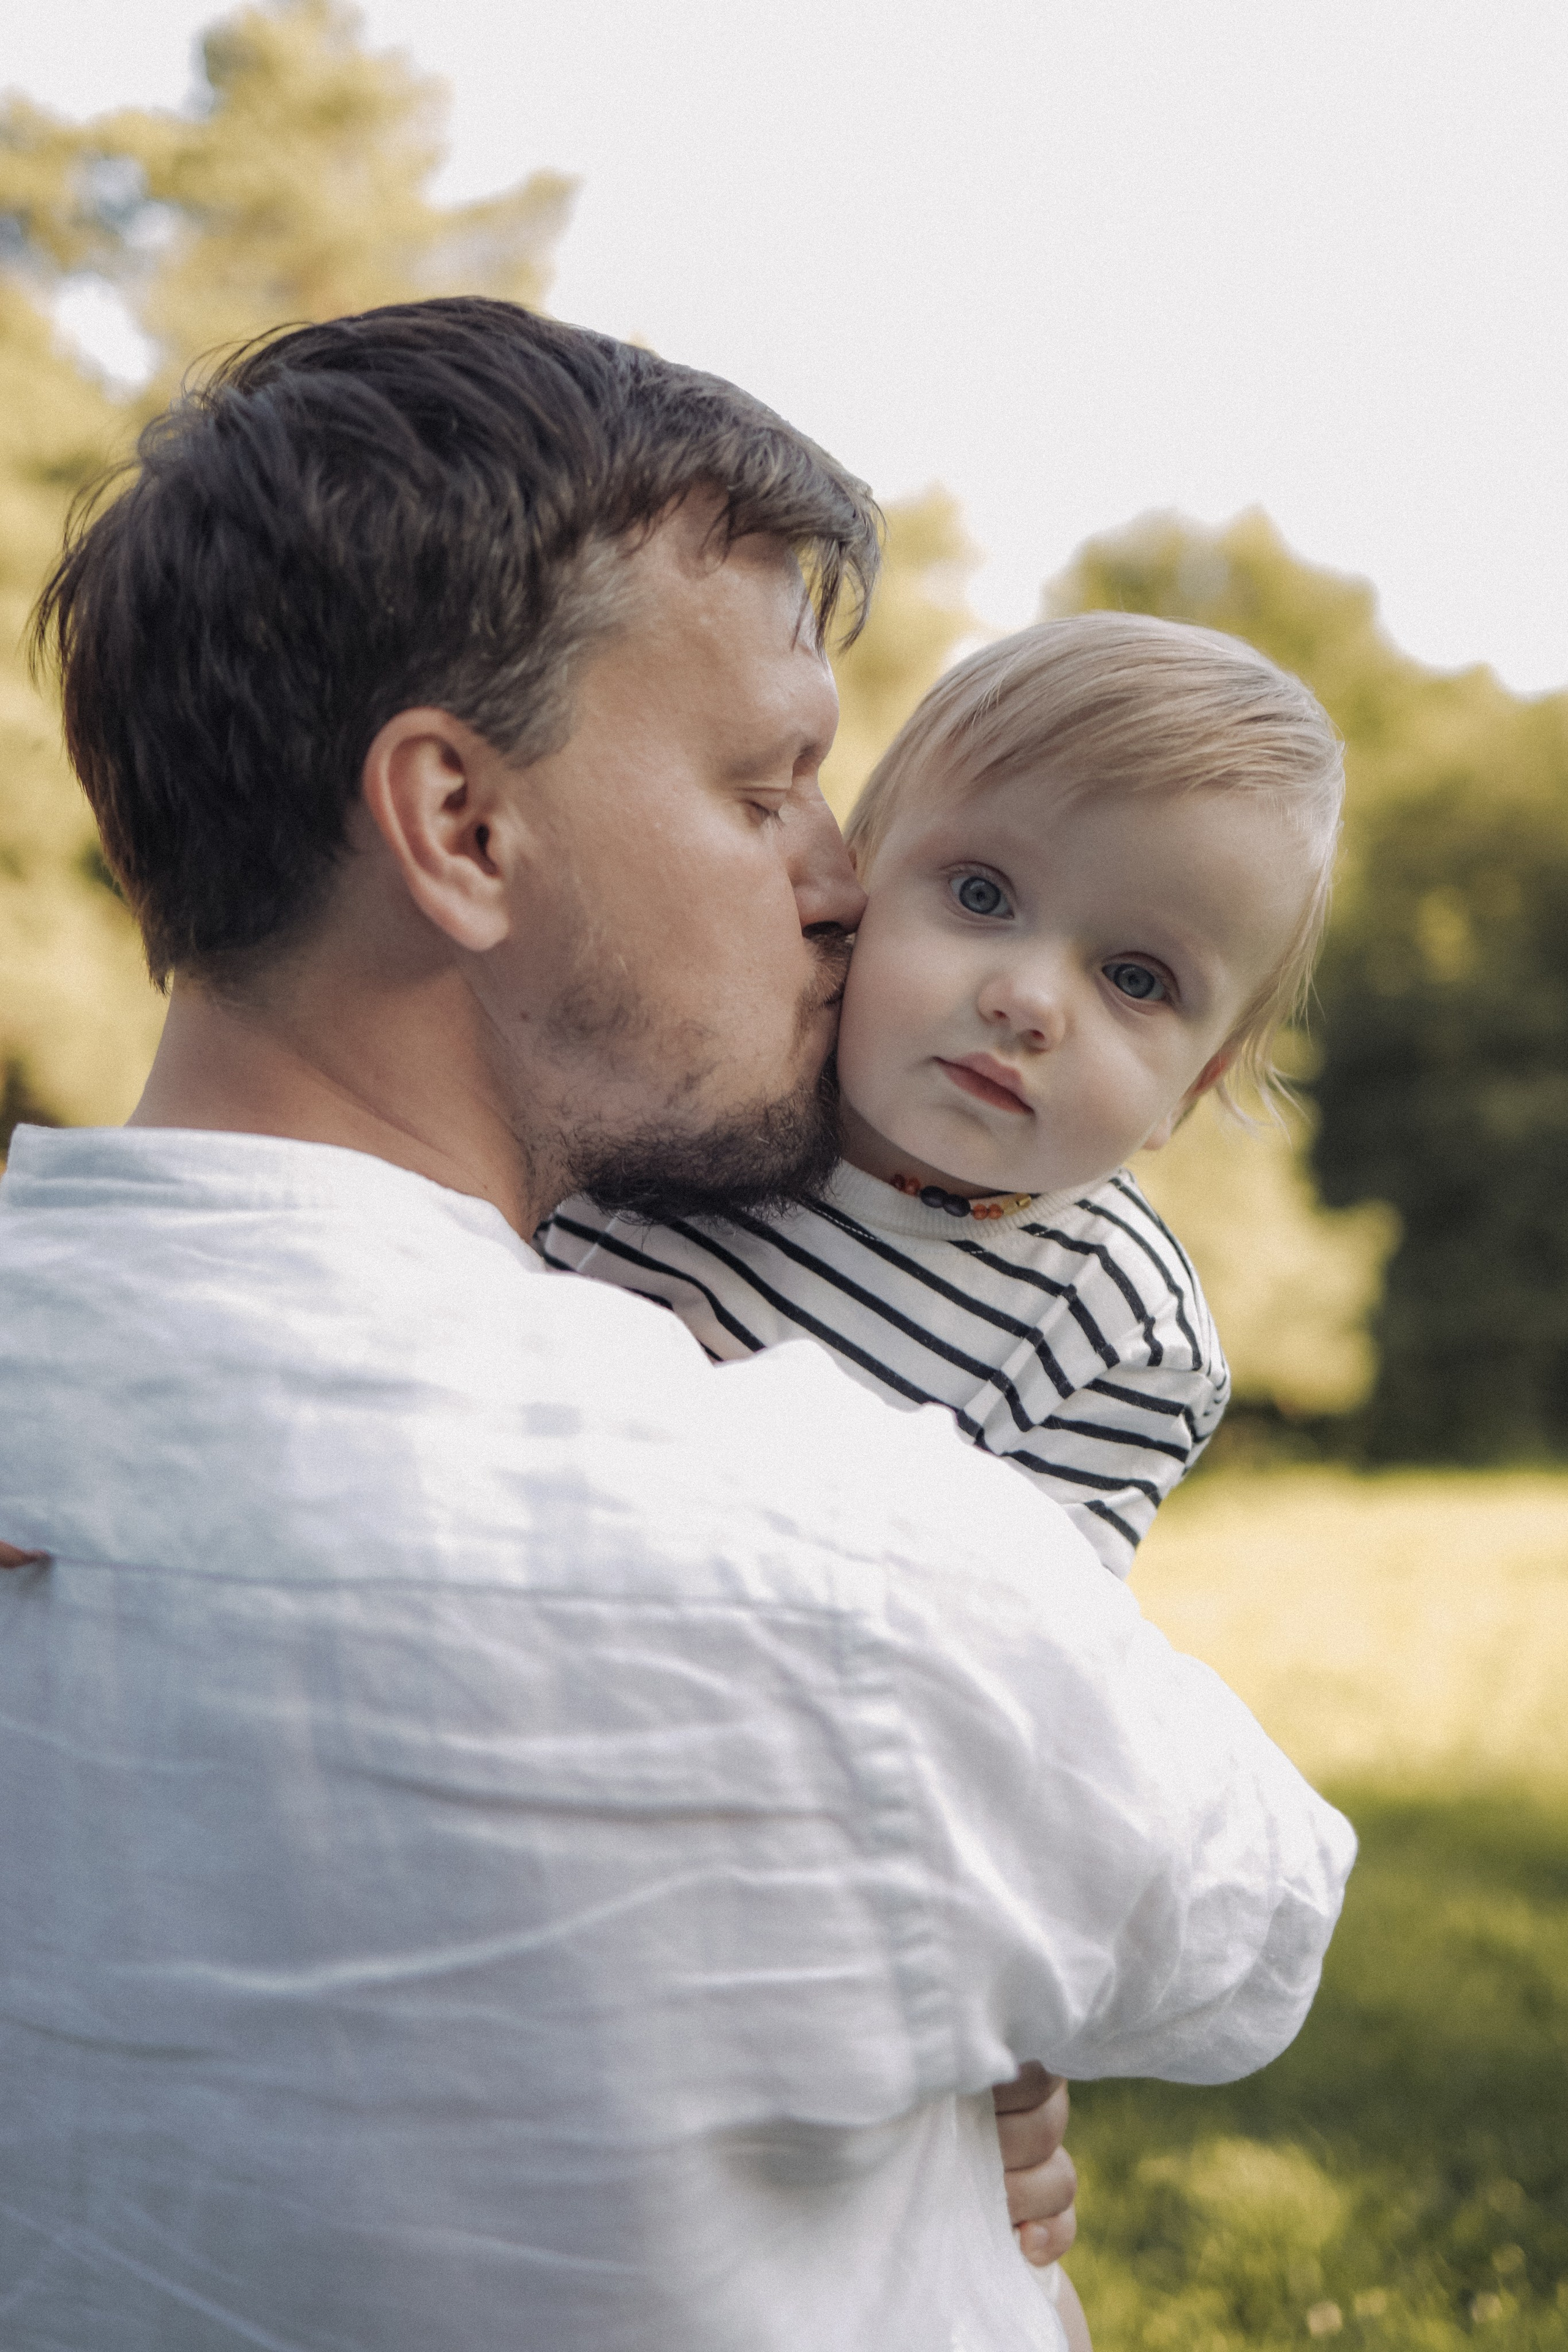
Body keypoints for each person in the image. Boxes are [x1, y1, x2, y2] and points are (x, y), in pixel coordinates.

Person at [0, 298, 1355, 2352]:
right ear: (461, 829)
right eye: (766, 791)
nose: (842, 887)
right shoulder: (852, 1559)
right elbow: (1249, 1936)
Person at [541, 611, 1343, 1575]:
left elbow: (1011, 1648)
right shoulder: (697, 1070)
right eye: (981, 896)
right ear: (858, 878)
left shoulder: (1121, 1328)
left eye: (1136, 979)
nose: (1028, 1002)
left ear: (1191, 1090)